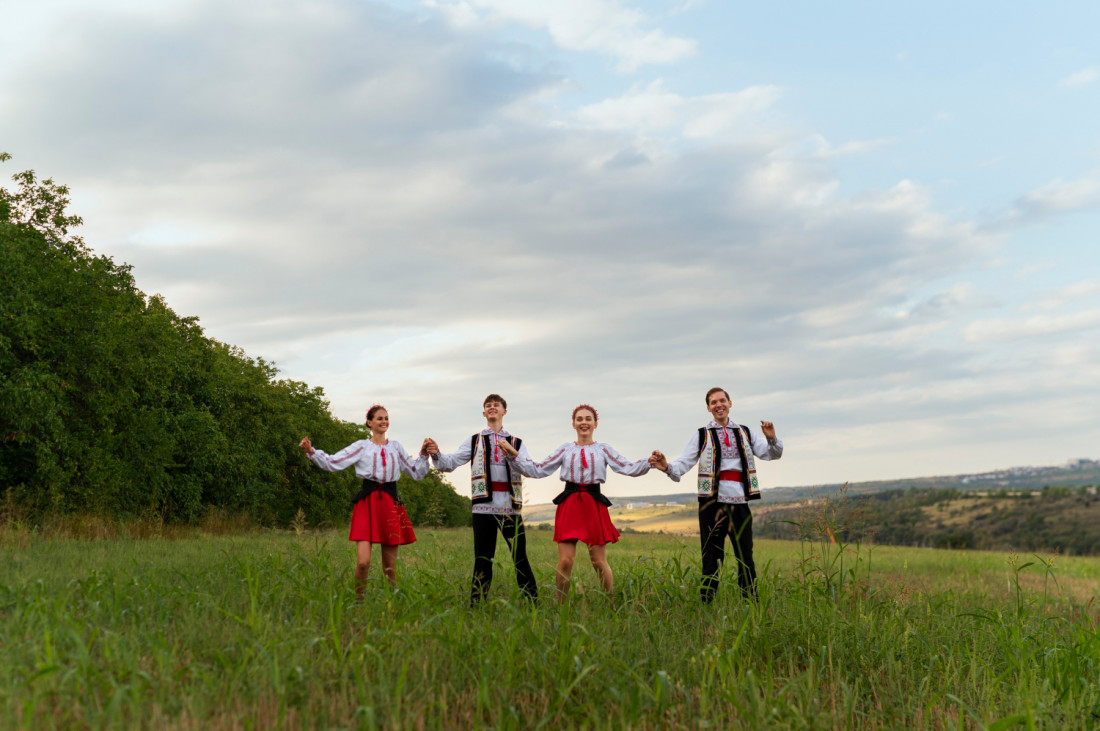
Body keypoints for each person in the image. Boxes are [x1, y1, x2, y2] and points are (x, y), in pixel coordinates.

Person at [498, 404, 650, 602]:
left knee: (598, 561)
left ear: (595, 423)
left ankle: (611, 606)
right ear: (573, 424)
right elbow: (538, 469)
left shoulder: (604, 449)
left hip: (594, 504)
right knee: (565, 561)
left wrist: (650, 461)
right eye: (579, 419)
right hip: (569, 503)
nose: (584, 422)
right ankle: (561, 607)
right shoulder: (565, 449)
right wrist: (513, 454)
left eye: (588, 419)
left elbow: (627, 467)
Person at [650, 387, 783, 603]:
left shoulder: (745, 432)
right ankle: (706, 605)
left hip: (740, 503)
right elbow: (684, 463)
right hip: (712, 505)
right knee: (711, 558)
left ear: (730, 403)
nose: (718, 405)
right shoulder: (702, 434)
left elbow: (772, 454)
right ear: (708, 408)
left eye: (722, 400)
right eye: (713, 402)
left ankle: (751, 604)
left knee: (745, 557)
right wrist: (666, 467)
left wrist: (772, 438)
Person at [298, 404, 429, 597]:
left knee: (389, 568)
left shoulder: (396, 447)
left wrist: (424, 454)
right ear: (369, 422)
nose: (384, 421)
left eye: (386, 418)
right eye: (379, 418)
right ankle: (359, 603)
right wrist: (311, 451)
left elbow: (416, 472)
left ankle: (393, 604)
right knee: (362, 563)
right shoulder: (362, 446)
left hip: (390, 504)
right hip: (367, 503)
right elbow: (334, 462)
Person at [423, 394, 539, 604]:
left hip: (509, 508)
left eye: (497, 405)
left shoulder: (516, 442)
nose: (492, 407)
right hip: (483, 508)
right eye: (488, 405)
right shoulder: (475, 440)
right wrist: (437, 453)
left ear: (505, 411)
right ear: (484, 413)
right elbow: (449, 463)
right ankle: (476, 606)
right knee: (482, 560)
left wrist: (514, 453)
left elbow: (530, 469)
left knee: (520, 558)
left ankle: (533, 605)